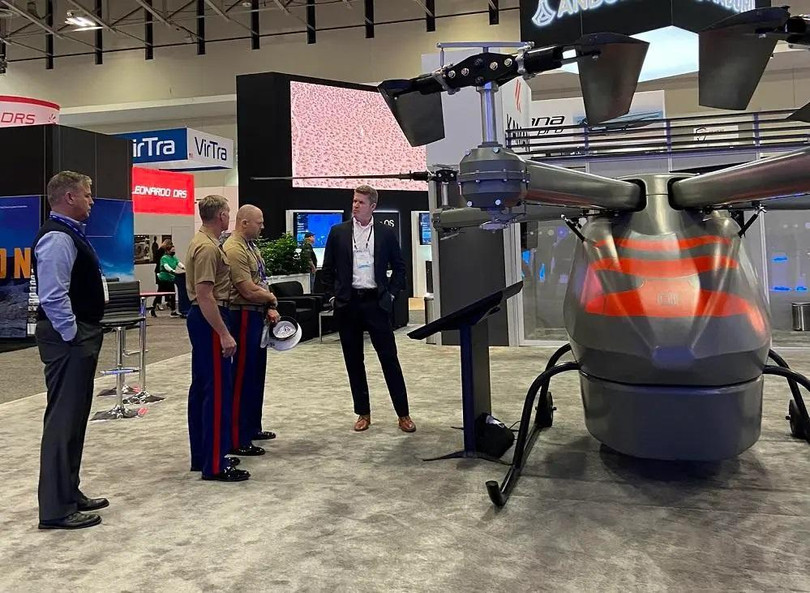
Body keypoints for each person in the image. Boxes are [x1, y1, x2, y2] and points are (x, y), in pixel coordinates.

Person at [32, 171, 109, 530]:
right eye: (87, 194)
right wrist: (73, 334)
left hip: (76, 336)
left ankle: (69, 492)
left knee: (75, 418)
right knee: (63, 421)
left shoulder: (70, 234)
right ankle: (55, 509)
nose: (91, 200)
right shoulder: (58, 238)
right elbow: (53, 295)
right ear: (69, 197)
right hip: (68, 339)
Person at [322, 185, 415, 433]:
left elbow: (400, 267)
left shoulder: (385, 233)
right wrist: (333, 297)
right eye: (354, 201)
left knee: (389, 359)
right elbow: (327, 270)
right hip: (348, 303)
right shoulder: (338, 232)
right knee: (354, 361)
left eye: (361, 202)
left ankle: (403, 414)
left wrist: (391, 294)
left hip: (376, 302)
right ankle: (363, 413)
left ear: (372, 206)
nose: (355, 205)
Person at [186, 195, 249, 482]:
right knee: (216, 392)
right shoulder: (208, 248)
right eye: (227, 213)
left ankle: (205, 455)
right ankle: (214, 463)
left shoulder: (204, 242)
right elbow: (204, 295)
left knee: (203, 389)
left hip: (205, 318)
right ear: (221, 216)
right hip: (210, 318)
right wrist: (224, 333)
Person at [223, 205, 281, 457]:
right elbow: (246, 289)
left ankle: (252, 427)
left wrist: (268, 303)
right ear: (244, 222)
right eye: (259, 222)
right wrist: (271, 299)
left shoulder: (251, 247)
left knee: (256, 375)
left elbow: (261, 281)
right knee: (243, 376)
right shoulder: (234, 249)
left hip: (256, 314)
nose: (262, 226)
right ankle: (238, 437)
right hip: (243, 314)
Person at [153, 242, 179, 318]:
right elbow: (166, 266)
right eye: (172, 250)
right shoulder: (163, 257)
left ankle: (173, 310)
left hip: (170, 277)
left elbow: (178, 263)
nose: (173, 251)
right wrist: (172, 271)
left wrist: (184, 268)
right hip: (163, 277)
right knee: (160, 293)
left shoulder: (173, 258)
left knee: (173, 293)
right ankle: (153, 307)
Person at [152, 238, 171, 312]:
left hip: (164, 271)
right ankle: (157, 303)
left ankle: (166, 301)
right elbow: (157, 260)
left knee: (166, 287)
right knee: (161, 288)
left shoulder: (165, 251)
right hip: (160, 271)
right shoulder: (160, 251)